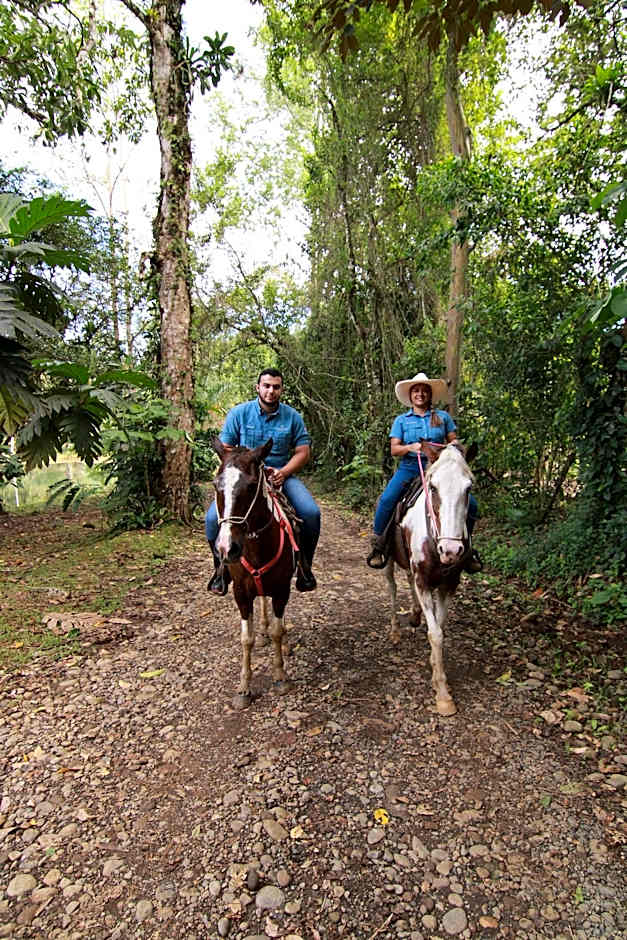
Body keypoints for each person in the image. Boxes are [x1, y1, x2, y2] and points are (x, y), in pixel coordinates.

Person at [206, 368, 321, 594]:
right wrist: (240, 466)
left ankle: (304, 566)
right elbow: (227, 449)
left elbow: (303, 451)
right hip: (246, 477)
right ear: (257, 387)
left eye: (276, 387)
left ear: (281, 390)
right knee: (211, 519)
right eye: (266, 386)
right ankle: (221, 569)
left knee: (310, 513)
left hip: (280, 476)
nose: (271, 391)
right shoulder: (239, 413)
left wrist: (284, 472)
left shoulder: (292, 417)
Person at [367, 372, 481, 571]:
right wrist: (410, 448)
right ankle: (379, 545)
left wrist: (453, 447)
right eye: (416, 391)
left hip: (439, 471)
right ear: (411, 396)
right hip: (410, 468)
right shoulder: (401, 421)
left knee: (471, 505)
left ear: (429, 395)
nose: (420, 394)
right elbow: (394, 449)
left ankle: (468, 550)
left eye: (424, 391)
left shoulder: (443, 418)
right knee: (387, 500)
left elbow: (454, 440)